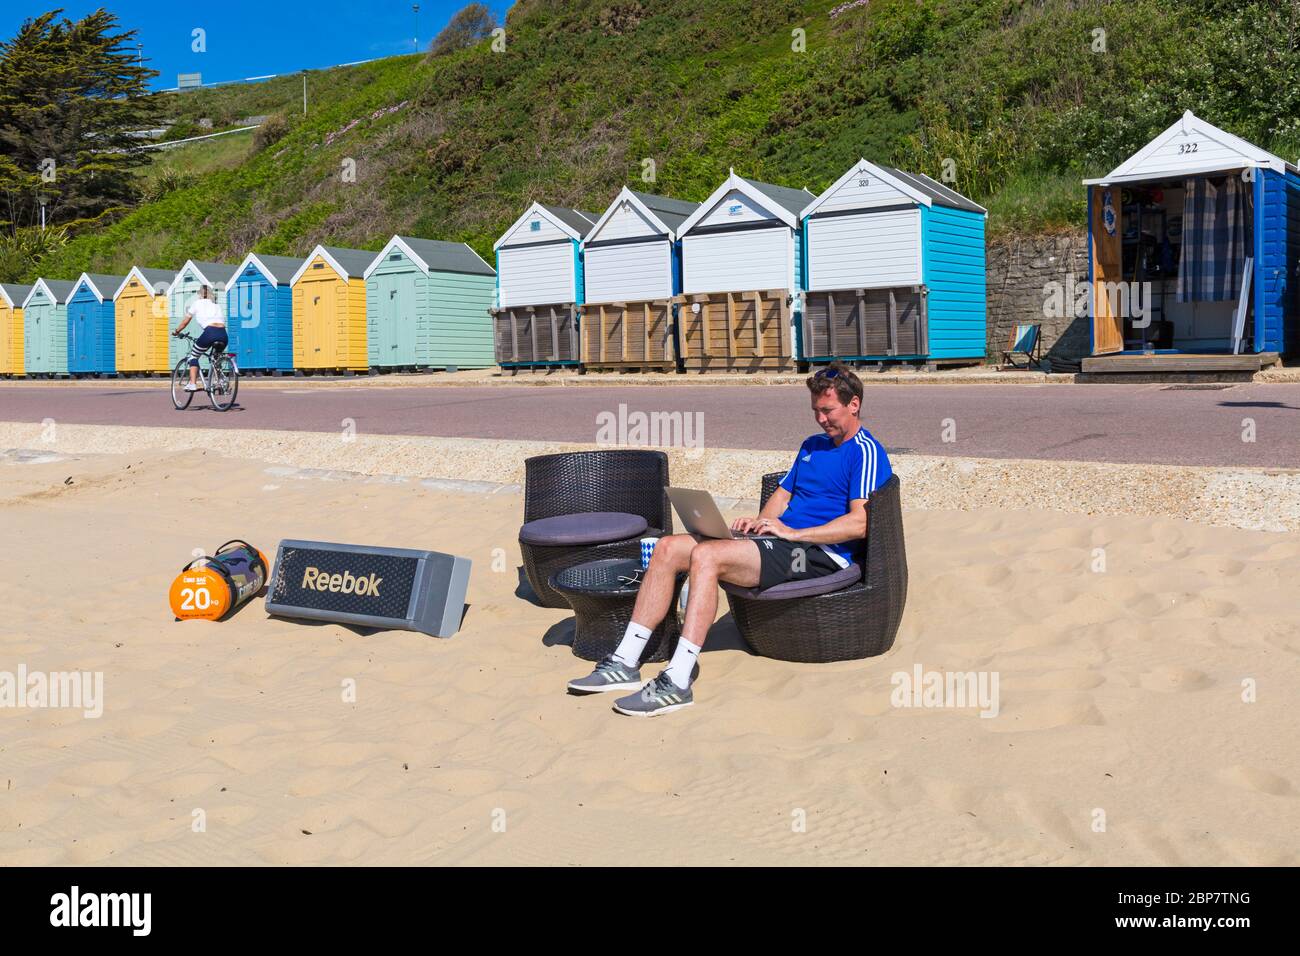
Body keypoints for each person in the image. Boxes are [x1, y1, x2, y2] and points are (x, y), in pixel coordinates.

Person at [568, 361, 893, 716]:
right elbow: (783, 495)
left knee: (707, 557)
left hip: (817, 553)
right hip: (782, 542)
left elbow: (860, 522)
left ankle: (677, 680)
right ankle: (625, 662)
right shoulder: (811, 445)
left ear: (854, 404)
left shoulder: (866, 450)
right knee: (668, 547)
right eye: (815, 410)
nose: (820, 419)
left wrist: (793, 532)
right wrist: (761, 523)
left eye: (827, 410)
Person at [172, 284, 226, 392]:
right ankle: (220, 381)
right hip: (223, 334)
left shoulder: (197, 303)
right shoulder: (216, 305)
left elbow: (185, 322)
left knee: (193, 356)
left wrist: (177, 331)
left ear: (200, 294)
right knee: (216, 358)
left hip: (210, 333)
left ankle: (192, 384)